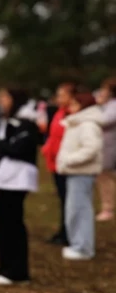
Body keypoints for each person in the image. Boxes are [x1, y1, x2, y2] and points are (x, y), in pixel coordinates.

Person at [0, 89, 41, 285]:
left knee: (13, 223)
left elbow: (18, 149)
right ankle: (4, 267)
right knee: (1, 223)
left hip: (19, 178)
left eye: (5, 98)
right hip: (5, 177)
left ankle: (18, 272)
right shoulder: (6, 120)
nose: (1, 101)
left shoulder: (27, 123)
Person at [57, 92, 104, 261]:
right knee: (74, 210)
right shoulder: (79, 123)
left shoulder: (87, 125)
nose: (70, 107)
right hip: (76, 172)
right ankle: (78, 243)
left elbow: (91, 148)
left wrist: (70, 160)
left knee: (79, 210)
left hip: (81, 172)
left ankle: (83, 247)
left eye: (74, 104)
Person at [42, 82, 76, 246]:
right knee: (63, 198)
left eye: (62, 95)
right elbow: (53, 134)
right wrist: (47, 149)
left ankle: (68, 232)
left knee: (68, 199)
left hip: (66, 163)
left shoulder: (73, 115)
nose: (59, 98)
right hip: (55, 162)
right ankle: (63, 230)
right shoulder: (59, 113)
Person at [95, 79, 116, 222]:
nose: (101, 92)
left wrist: (99, 105)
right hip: (105, 145)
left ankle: (108, 208)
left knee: (106, 177)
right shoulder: (108, 105)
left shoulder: (113, 106)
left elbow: (103, 120)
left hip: (109, 146)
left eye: (104, 89)